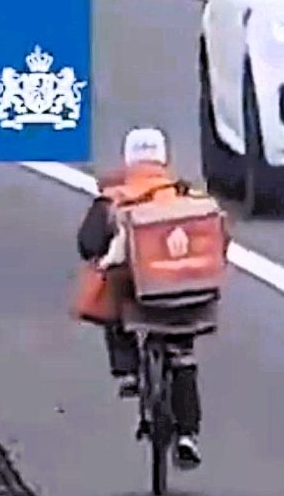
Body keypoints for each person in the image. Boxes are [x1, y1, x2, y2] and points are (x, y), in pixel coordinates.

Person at [74, 127, 207, 470]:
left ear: (128, 158)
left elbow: (88, 244)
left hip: (134, 295)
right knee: (182, 356)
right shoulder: (185, 197)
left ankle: (128, 370)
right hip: (180, 296)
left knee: (113, 303)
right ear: (164, 158)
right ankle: (187, 434)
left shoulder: (114, 197)